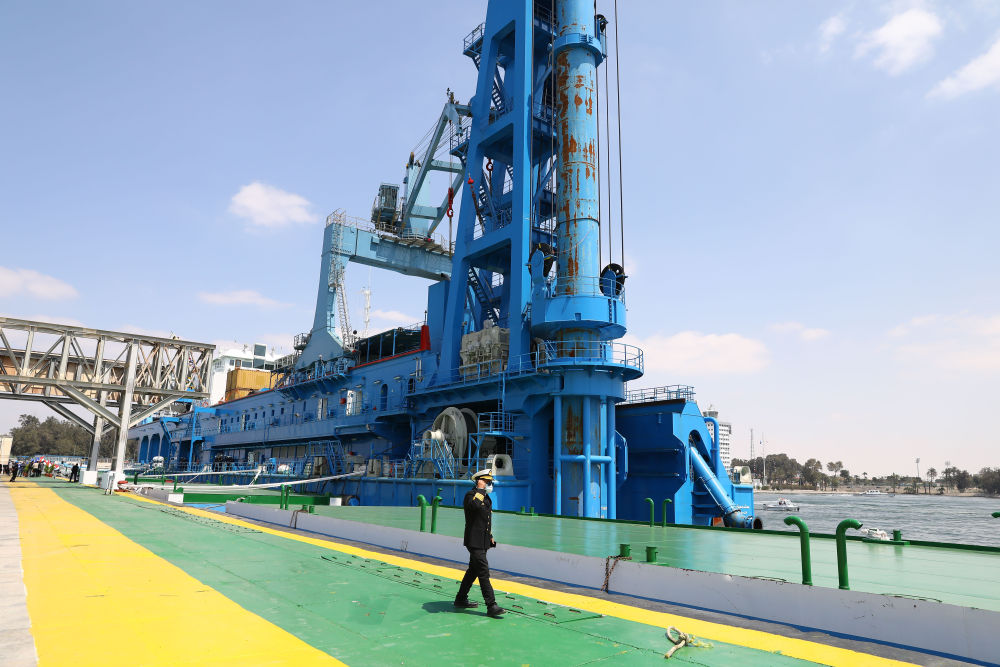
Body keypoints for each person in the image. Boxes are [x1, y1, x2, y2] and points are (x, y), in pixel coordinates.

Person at [454, 469, 505, 618]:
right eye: (487, 482)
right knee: (483, 571)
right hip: (474, 541)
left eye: (489, 482)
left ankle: (460, 599)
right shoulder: (471, 496)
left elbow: (485, 520)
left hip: (483, 541)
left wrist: (490, 536)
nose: (489, 485)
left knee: (473, 571)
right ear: (479, 481)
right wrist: (481, 489)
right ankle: (491, 605)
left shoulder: (486, 498)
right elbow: (474, 507)